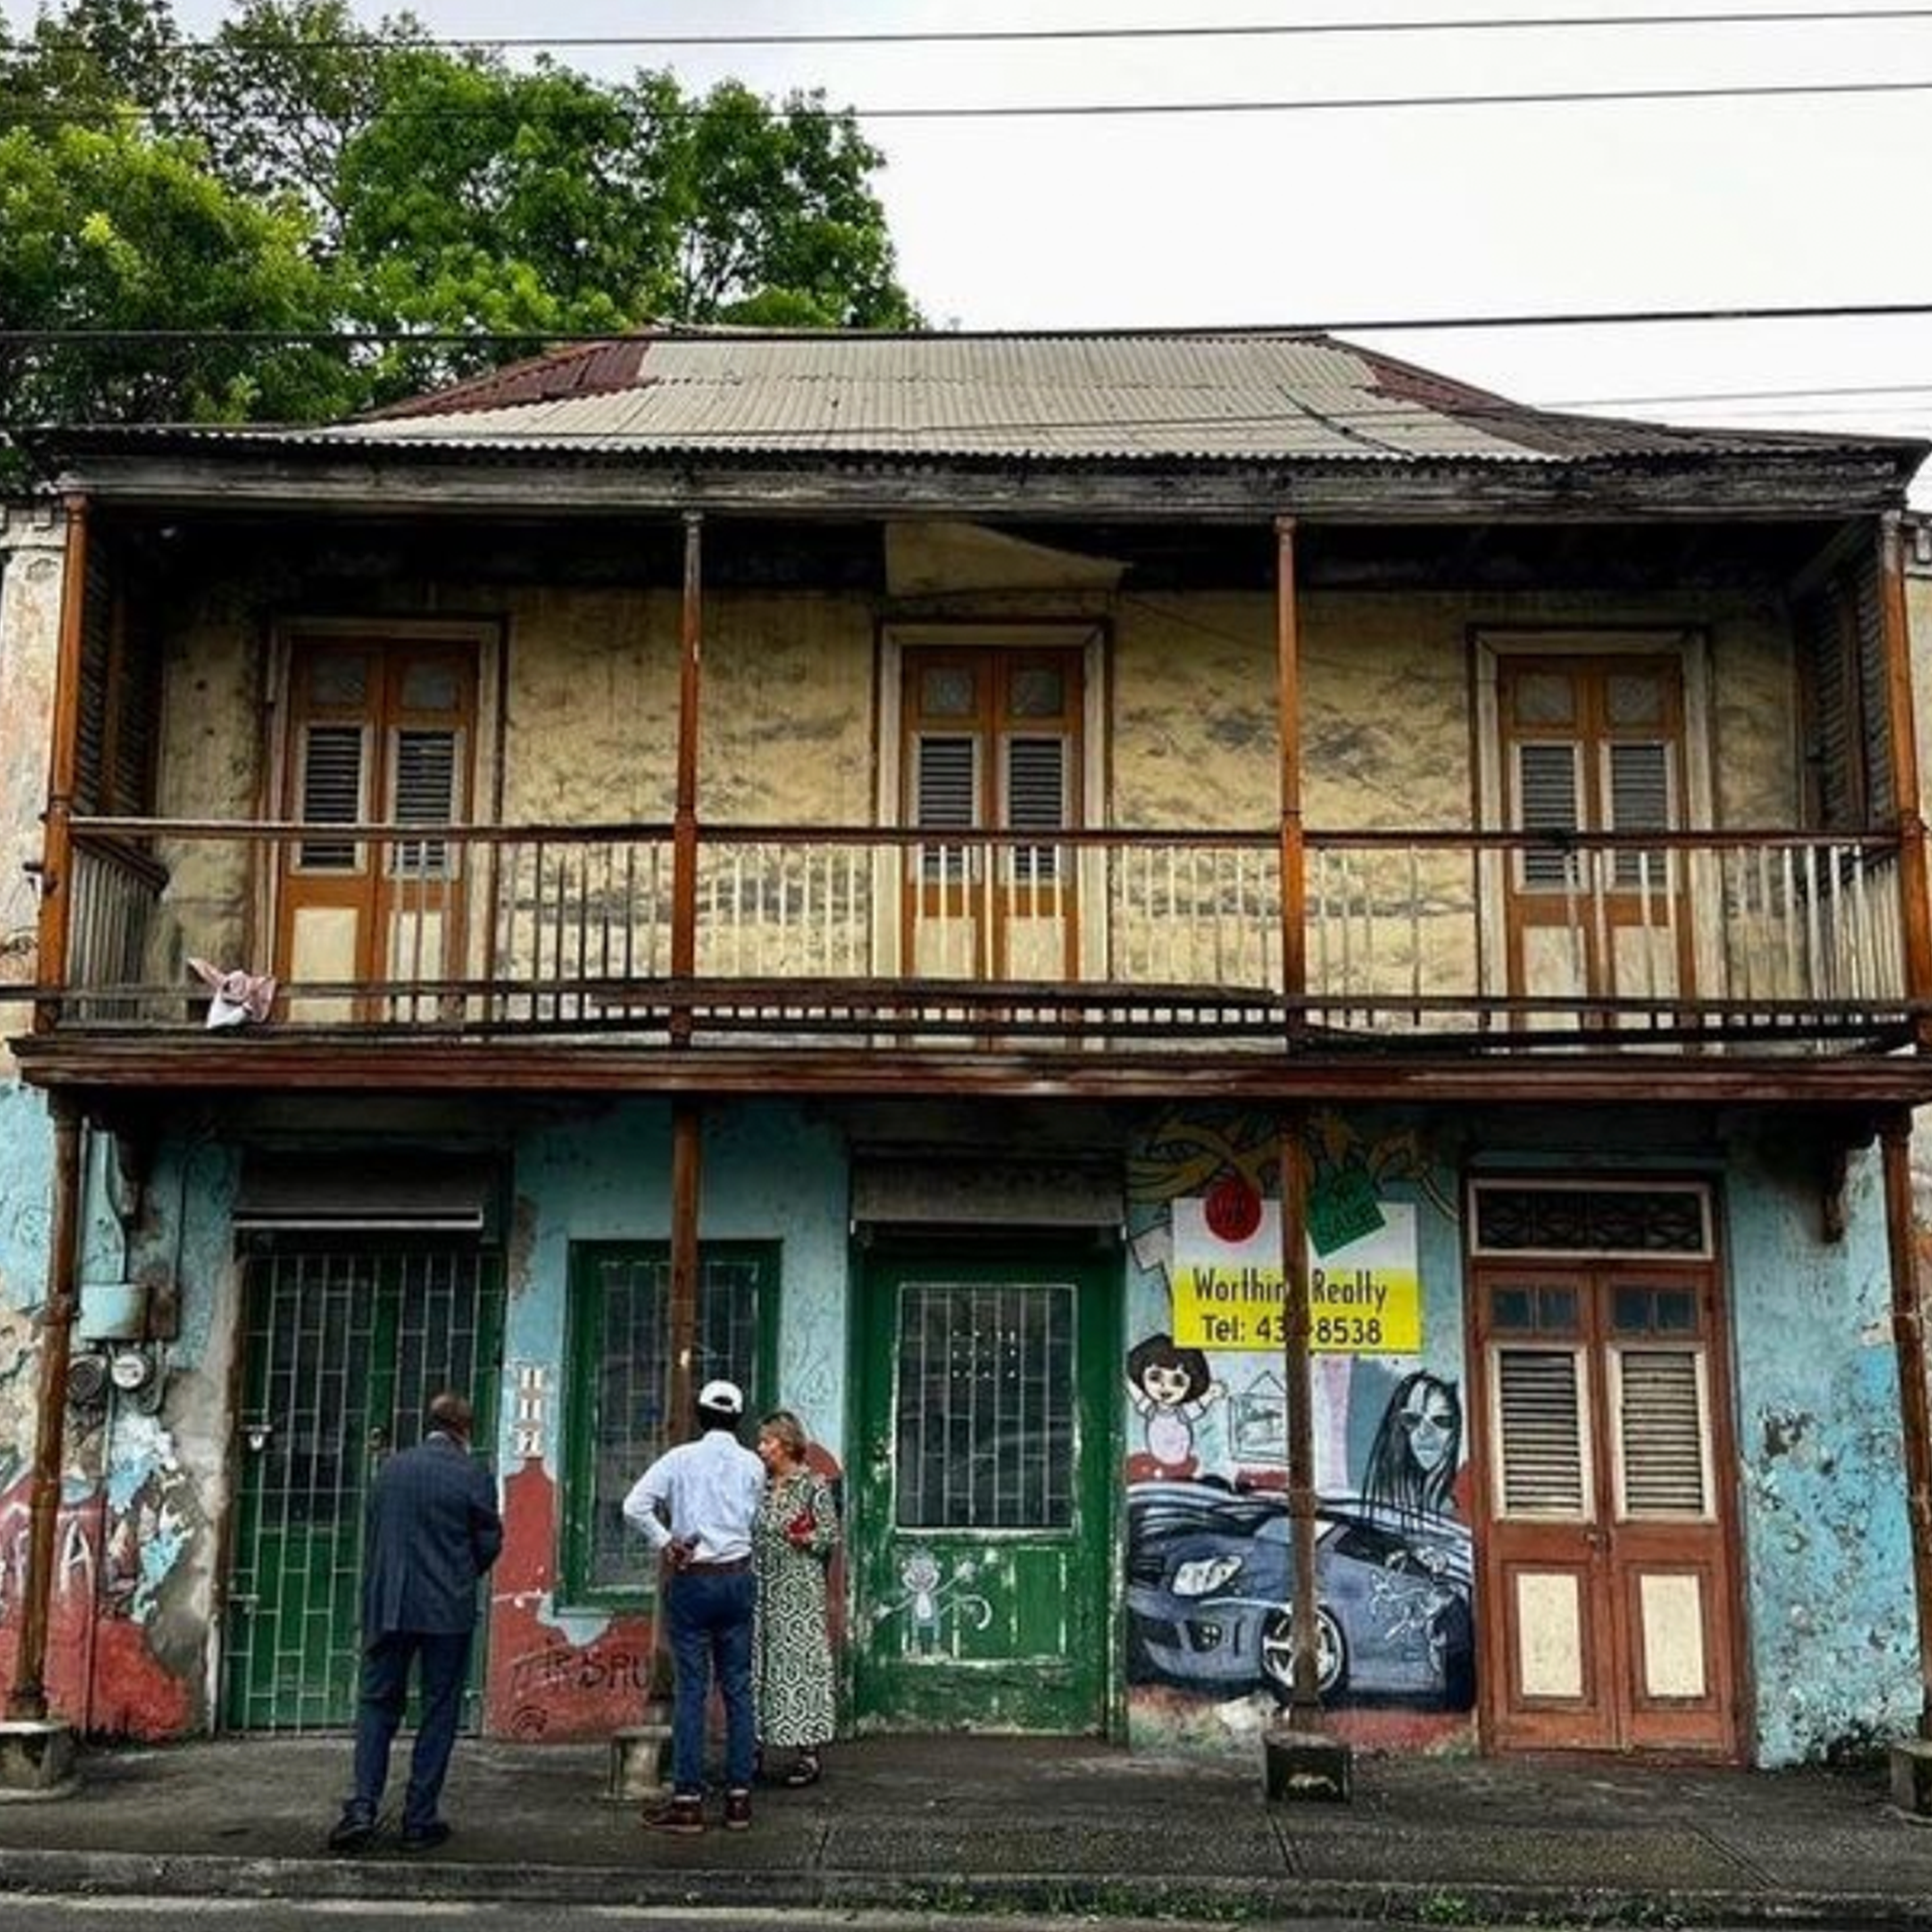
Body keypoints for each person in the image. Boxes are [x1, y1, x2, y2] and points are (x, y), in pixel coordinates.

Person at [327, 1390, 502, 1855]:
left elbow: (376, 1529)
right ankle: (418, 1819)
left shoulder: (391, 1469)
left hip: (389, 1605)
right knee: (439, 1710)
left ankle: (362, 1807)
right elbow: (489, 1541)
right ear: (466, 1430)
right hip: (447, 1608)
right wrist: (462, 1573)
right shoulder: (473, 1473)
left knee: (377, 1704)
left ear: (430, 1422)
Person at [622, 1376, 766, 1835]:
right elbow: (755, 1518)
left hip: (695, 1581)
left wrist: (667, 1542)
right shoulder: (752, 1465)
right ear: (738, 1419)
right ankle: (739, 1800)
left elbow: (634, 1505)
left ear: (701, 1415)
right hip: (738, 1578)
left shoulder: (679, 1459)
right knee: (738, 1689)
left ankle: (688, 1801)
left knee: (692, 1690)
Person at [751, 1408, 839, 1787]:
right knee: (758, 1665)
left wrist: (806, 1538)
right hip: (760, 1586)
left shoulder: (813, 1486)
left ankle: (808, 1753)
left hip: (799, 1590)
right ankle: (753, 1749)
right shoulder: (760, 1486)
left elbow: (829, 1536)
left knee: (800, 1666)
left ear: (786, 1445)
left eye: (767, 1442)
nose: (761, 1449)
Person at [1361, 1368, 1464, 1520]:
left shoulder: (1460, 1509)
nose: (1425, 1432)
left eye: (1442, 1421)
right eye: (1412, 1420)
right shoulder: (1383, 1509)